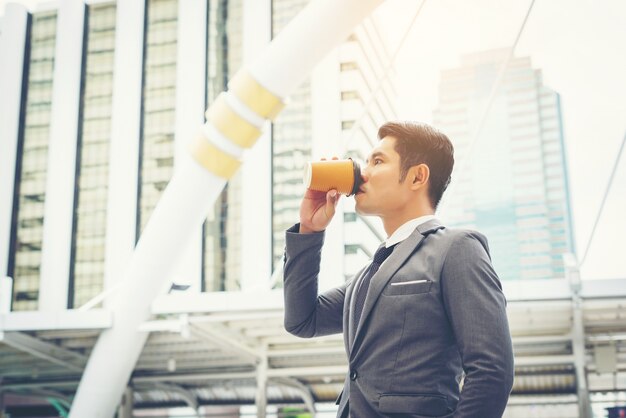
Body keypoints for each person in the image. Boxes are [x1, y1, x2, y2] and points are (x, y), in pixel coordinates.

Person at [282, 121, 514, 417]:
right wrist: (309, 231)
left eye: (377, 161)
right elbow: (302, 320)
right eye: (365, 162)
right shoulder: (366, 277)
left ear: (418, 177)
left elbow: (492, 370)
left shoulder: (456, 248)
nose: (362, 173)